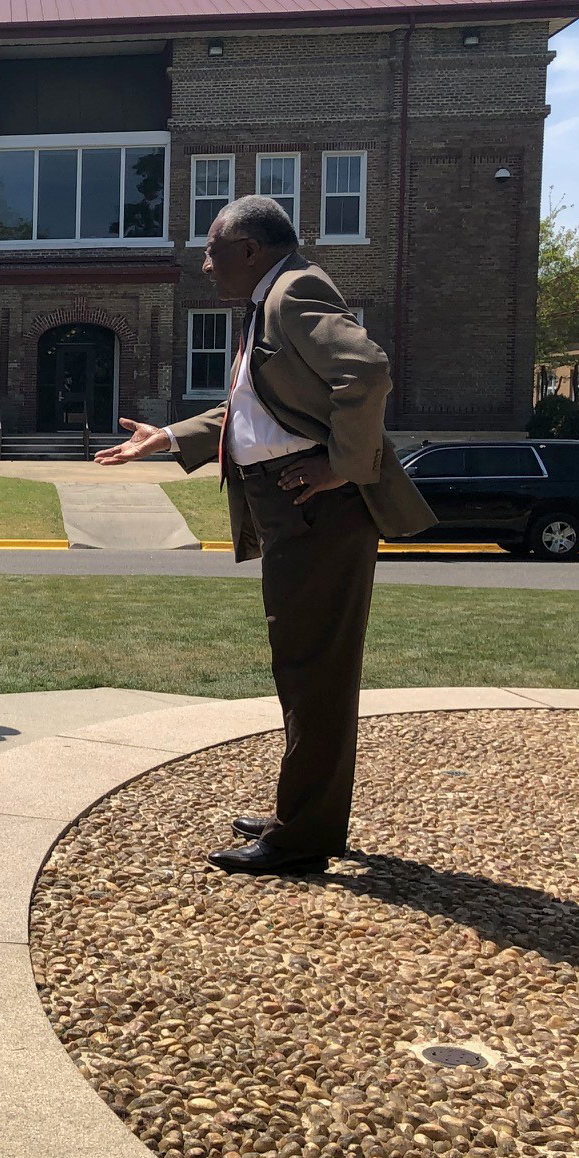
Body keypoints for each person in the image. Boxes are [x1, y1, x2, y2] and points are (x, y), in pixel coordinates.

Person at [96, 195, 436, 876]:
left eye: (212, 249)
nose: (204, 263)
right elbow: (254, 409)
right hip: (294, 513)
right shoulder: (270, 300)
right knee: (304, 667)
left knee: (314, 670)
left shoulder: (293, 293)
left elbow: (367, 370)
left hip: (318, 511)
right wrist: (168, 437)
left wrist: (342, 464)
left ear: (249, 249)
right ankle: (306, 814)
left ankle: (303, 836)